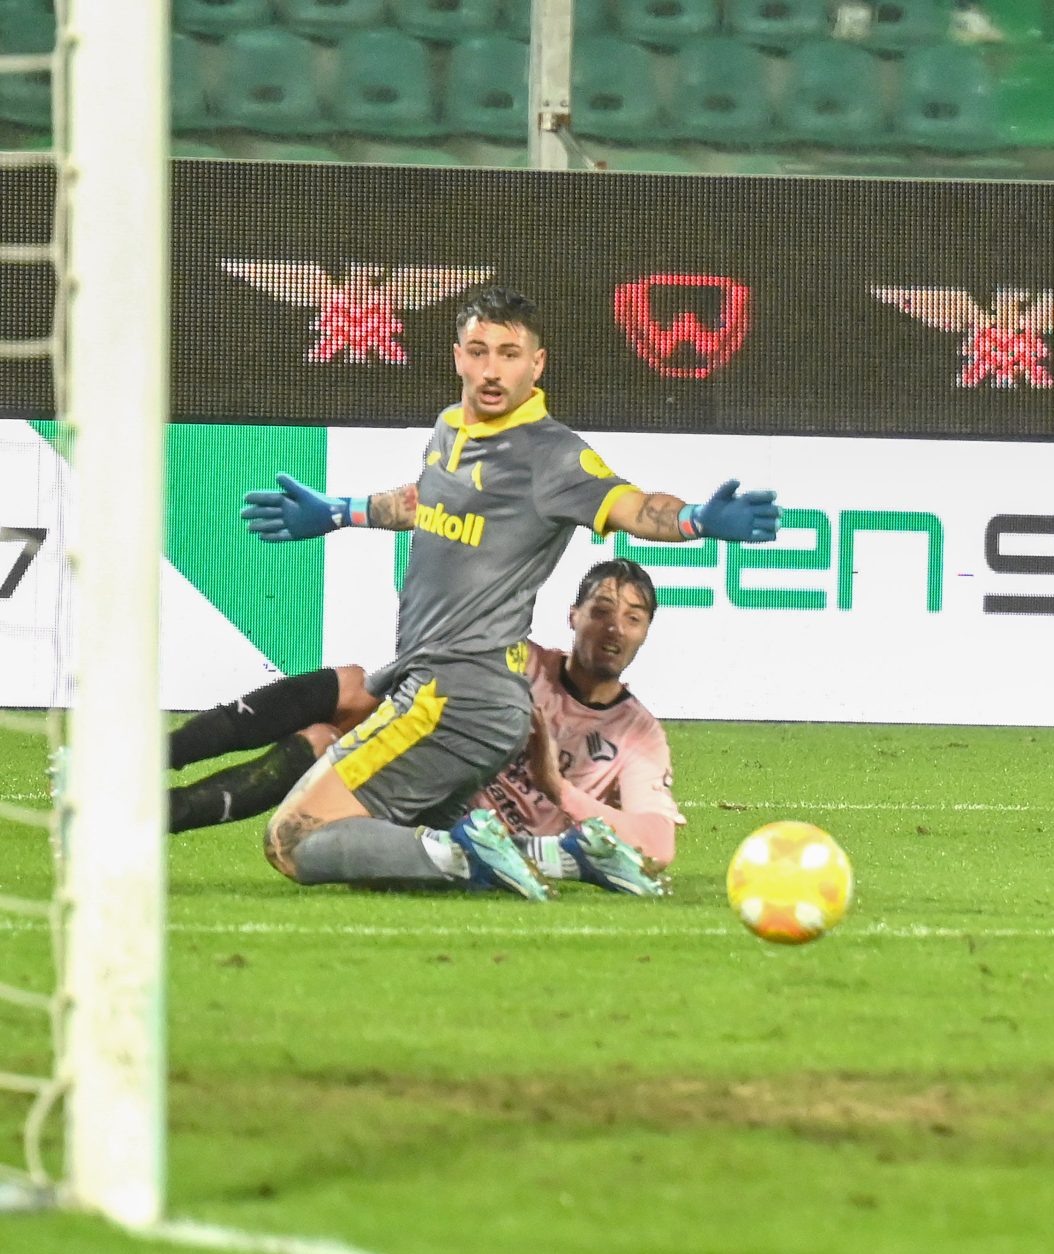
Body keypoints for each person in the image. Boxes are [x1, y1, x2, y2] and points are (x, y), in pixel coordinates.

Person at [241, 286, 777, 902]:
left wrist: (696, 520)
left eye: (509, 353)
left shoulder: (552, 456)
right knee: (401, 841)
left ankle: (472, 853)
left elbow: (633, 507)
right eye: (479, 351)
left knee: (293, 838)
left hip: (453, 696)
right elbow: (425, 500)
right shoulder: (450, 427)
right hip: (473, 699)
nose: (492, 370)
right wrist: (341, 511)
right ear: (458, 357)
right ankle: (566, 855)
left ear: (537, 364)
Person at [166, 557, 682, 888]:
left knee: (306, 809)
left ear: (645, 633)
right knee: (344, 702)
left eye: (633, 619)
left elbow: (658, 846)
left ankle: (509, 855)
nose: (614, 629)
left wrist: (557, 788)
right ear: (573, 615)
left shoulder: (638, 734)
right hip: (424, 793)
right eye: (601, 611)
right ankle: (162, 772)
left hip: (481, 836)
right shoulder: (519, 662)